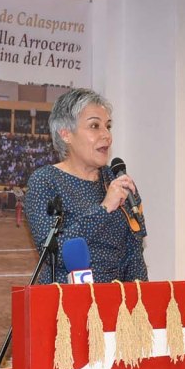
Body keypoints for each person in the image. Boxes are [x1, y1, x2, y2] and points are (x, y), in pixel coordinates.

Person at [24, 88, 147, 284]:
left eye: (108, 126)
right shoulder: (45, 181)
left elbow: (134, 255)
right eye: (95, 126)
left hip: (116, 298)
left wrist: (140, 298)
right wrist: (104, 208)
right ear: (66, 134)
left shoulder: (117, 181)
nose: (107, 135)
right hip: (65, 298)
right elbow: (55, 253)